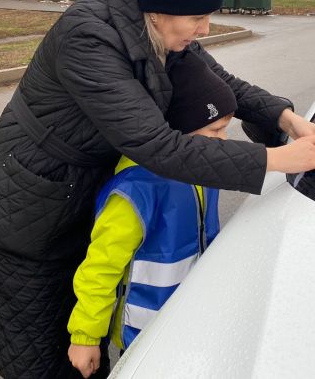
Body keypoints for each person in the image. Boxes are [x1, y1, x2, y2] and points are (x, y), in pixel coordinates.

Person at [0, 0, 315, 378]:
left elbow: (222, 82)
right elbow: (157, 146)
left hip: (85, 188)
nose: (205, 30)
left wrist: (288, 119)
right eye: (199, 17)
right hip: (31, 206)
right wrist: (276, 159)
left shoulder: (159, 24)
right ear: (160, 9)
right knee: (46, 351)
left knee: (94, 308)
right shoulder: (89, 37)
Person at [67, 51, 236, 378]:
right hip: (142, 333)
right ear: (178, 131)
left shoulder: (202, 170)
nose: (224, 140)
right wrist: (86, 338)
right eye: (216, 130)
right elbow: (101, 268)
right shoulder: (136, 191)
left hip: (187, 318)